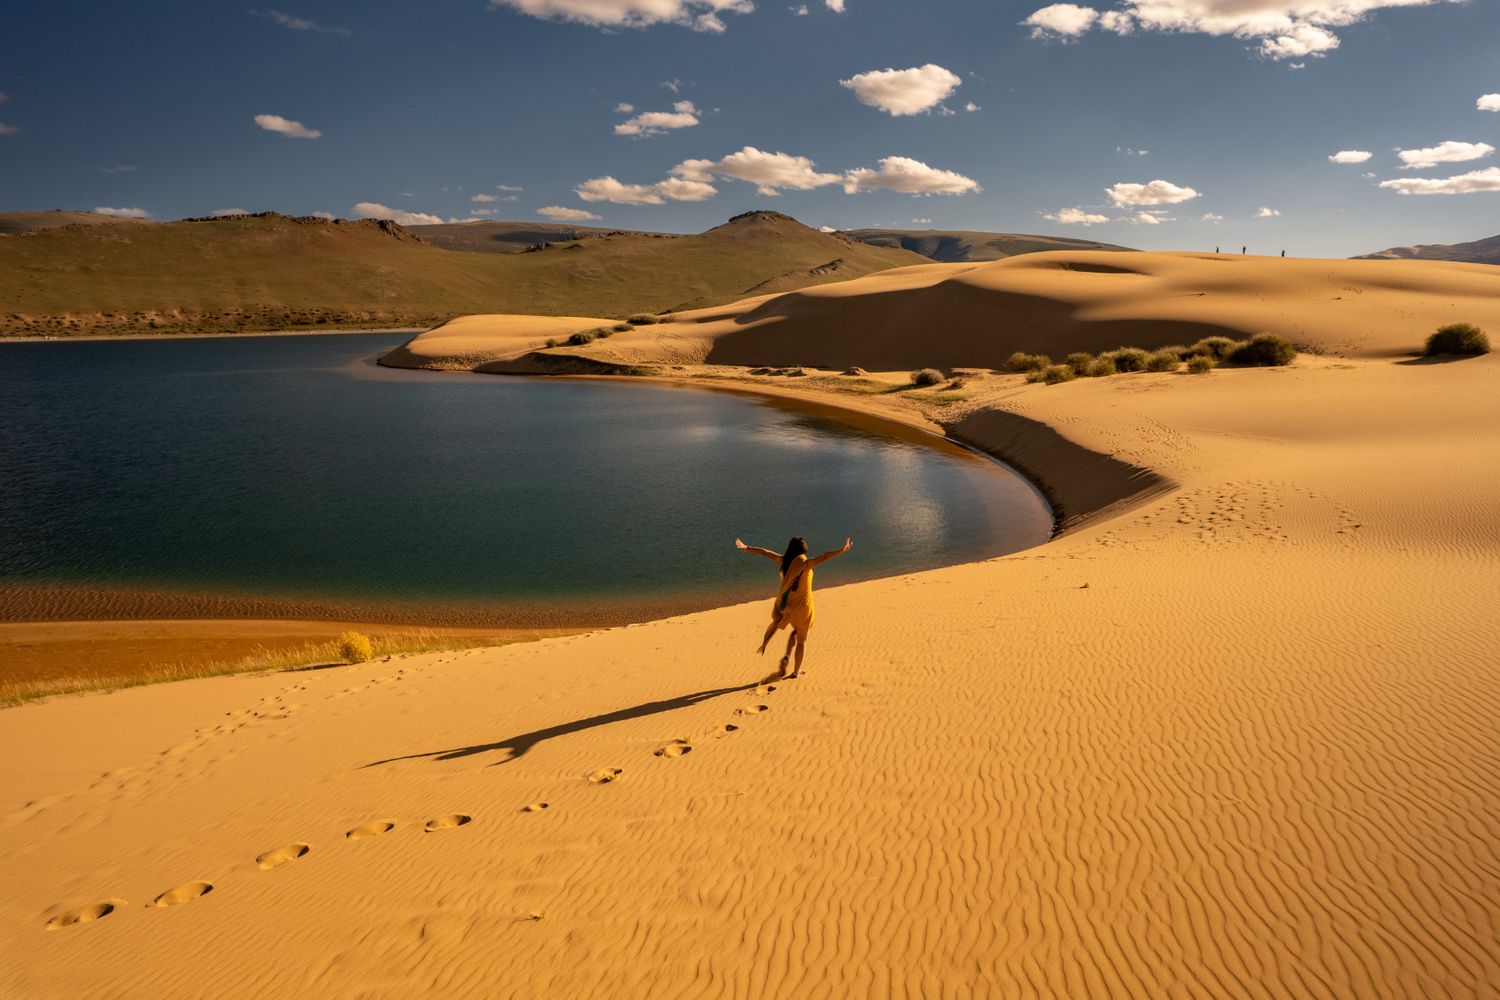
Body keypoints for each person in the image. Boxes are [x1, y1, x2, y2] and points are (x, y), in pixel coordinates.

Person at [734, 535, 852, 679]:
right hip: (803, 607)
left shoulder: (784, 561)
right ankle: (796, 672)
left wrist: (746, 547)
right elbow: (825, 556)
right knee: (802, 640)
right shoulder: (806, 563)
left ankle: (787, 657)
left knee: (795, 632)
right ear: (802, 549)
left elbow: (766, 552)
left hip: (789, 608)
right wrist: (842, 550)